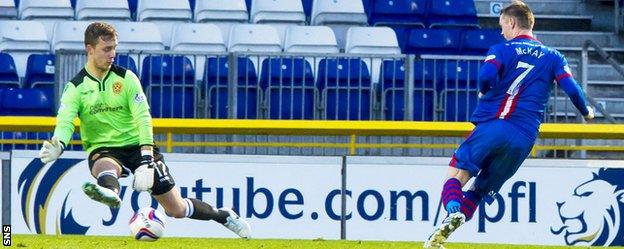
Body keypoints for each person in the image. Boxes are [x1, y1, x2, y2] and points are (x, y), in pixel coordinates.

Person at [38, 22, 251, 238]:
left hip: (139, 147)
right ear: (90, 49)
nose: (113, 54)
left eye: (114, 48)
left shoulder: (127, 78)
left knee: (176, 209)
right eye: (106, 49)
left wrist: (147, 160)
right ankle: (110, 192)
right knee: (104, 164)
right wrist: (59, 143)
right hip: (104, 148)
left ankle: (222, 215)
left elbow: (143, 118)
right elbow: (65, 122)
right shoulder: (76, 87)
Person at [424, 2, 594, 248]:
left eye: (502, 25)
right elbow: (572, 90)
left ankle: (452, 211)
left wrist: (485, 91)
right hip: (524, 138)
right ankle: (443, 236)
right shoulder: (554, 56)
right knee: (479, 191)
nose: (501, 31)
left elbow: (485, 77)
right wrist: (587, 112)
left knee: (456, 175)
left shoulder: (502, 50)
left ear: (512, 23)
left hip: (496, 125)